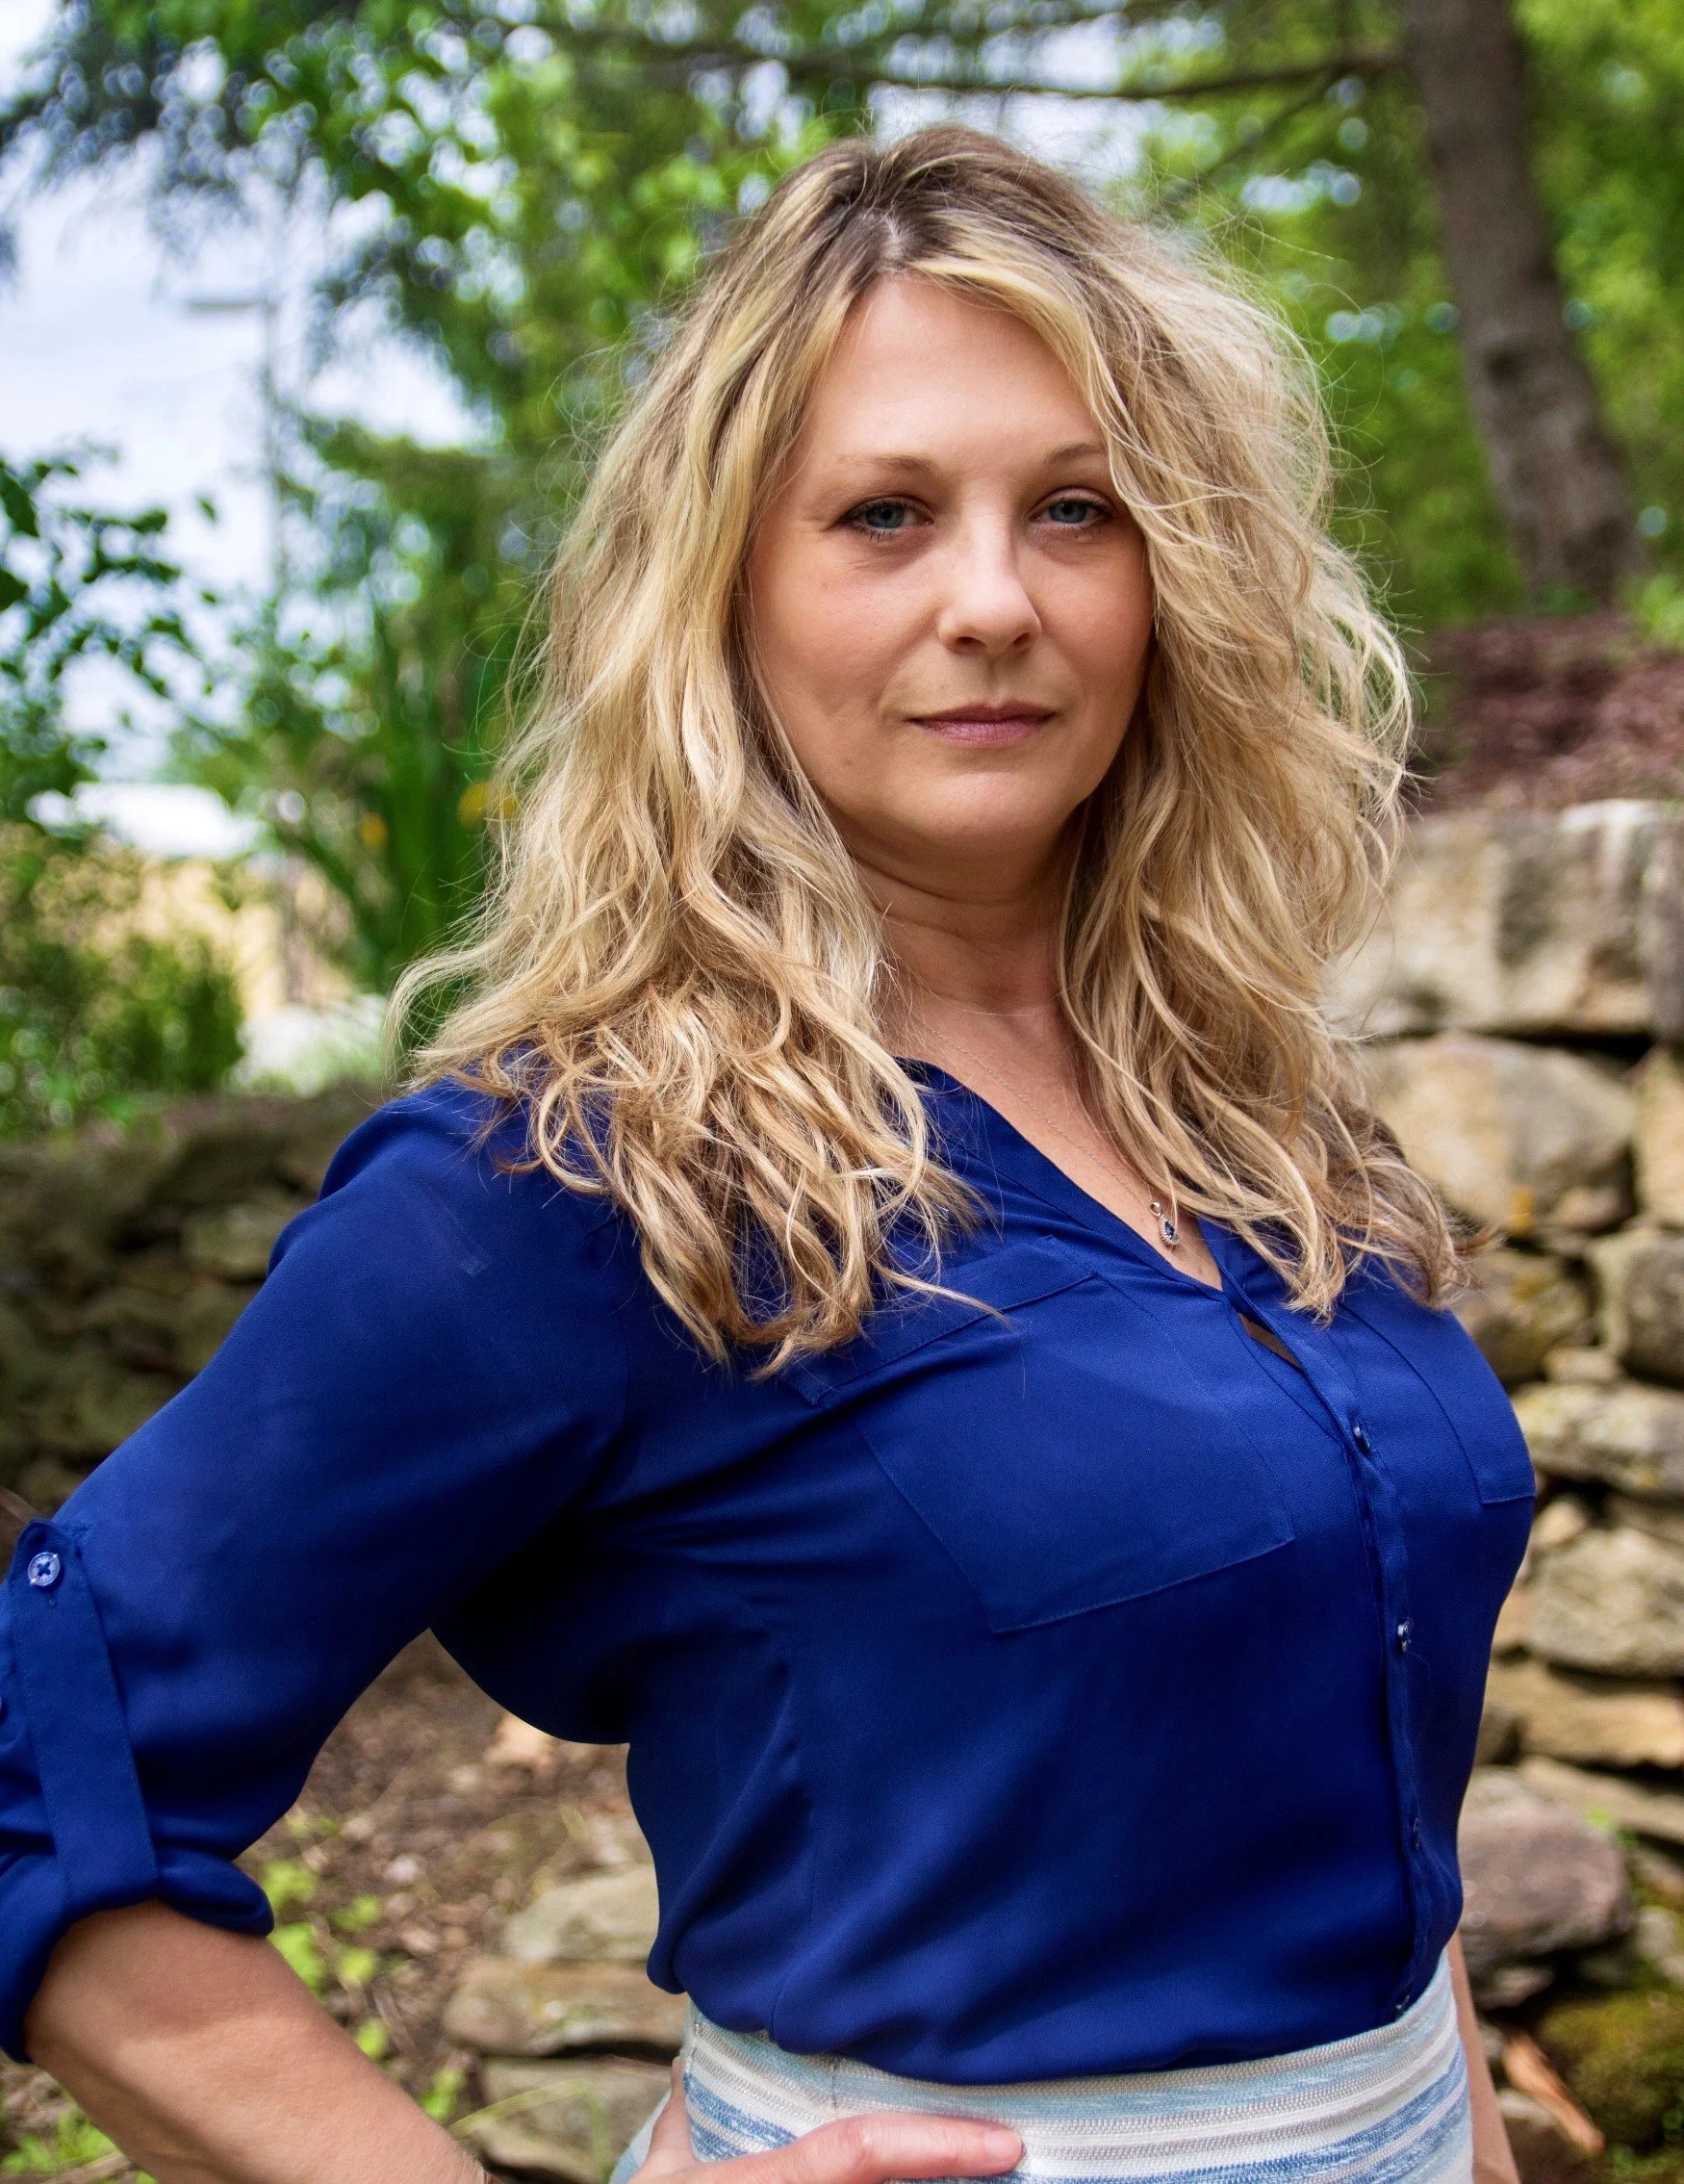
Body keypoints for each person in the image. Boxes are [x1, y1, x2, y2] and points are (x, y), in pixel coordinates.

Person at [0, 127, 1529, 2184]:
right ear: (722, 593)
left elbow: (1351, 1741)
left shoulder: (1257, 1112)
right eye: (883, 516)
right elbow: (42, 1757)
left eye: (1073, 510)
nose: (992, 599)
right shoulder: (565, 1181)